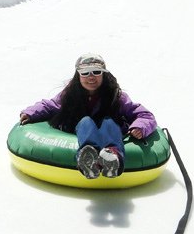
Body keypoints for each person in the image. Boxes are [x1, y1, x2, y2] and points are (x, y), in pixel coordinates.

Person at [20, 53, 157, 180]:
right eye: (85, 73)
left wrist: (140, 127)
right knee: (86, 122)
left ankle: (112, 156)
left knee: (109, 122)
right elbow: (50, 105)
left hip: (109, 131)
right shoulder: (69, 95)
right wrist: (30, 113)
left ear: (103, 75)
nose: (91, 77)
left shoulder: (116, 96)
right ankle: (88, 156)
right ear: (78, 76)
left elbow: (144, 115)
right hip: (81, 128)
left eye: (96, 72)